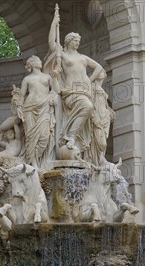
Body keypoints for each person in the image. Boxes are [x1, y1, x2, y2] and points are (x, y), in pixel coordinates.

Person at [45, 7, 105, 161]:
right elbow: (52, 42)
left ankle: (72, 135)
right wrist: (54, 22)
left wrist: (89, 81)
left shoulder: (83, 58)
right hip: (70, 92)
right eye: (75, 41)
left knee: (89, 107)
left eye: (79, 41)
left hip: (84, 91)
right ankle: (70, 136)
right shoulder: (62, 55)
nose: (77, 43)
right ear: (68, 42)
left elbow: (99, 68)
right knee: (88, 107)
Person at [18, 55, 56, 169]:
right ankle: (33, 163)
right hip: (29, 108)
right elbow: (22, 95)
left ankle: (37, 158)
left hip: (44, 107)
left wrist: (56, 77)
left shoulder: (48, 77)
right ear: (32, 64)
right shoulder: (27, 79)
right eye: (38, 61)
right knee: (30, 136)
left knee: (45, 135)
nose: (40, 62)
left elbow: (55, 90)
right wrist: (19, 107)